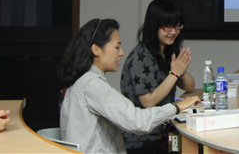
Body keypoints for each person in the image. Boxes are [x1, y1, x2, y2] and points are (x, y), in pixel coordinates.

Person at [58, 18, 200, 154]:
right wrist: (176, 107)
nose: (121, 53)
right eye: (116, 47)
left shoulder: (83, 81)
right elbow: (138, 122)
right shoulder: (93, 85)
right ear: (96, 50)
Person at [120, 0, 195, 154]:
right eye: (167, 27)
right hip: (142, 139)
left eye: (177, 26)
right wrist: (174, 74)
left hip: (163, 131)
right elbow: (148, 101)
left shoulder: (166, 51)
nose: (173, 32)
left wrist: (181, 71)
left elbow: (190, 87)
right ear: (154, 25)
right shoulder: (141, 56)